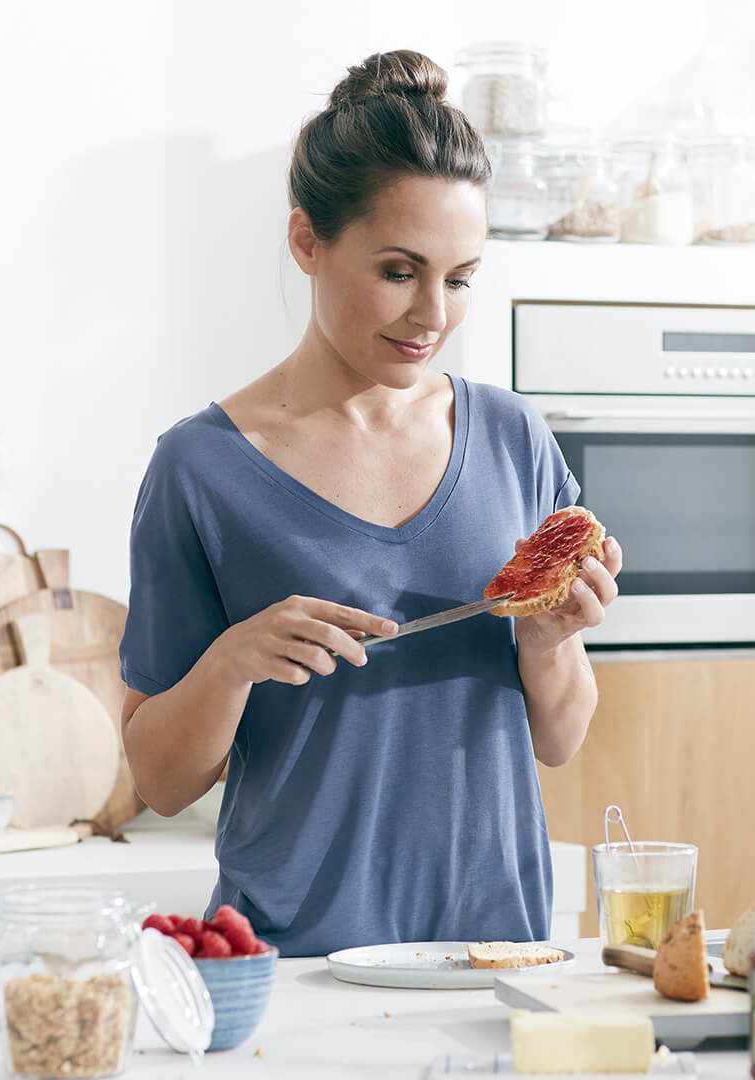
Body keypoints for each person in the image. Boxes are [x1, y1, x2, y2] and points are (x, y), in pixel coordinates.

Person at [118, 49, 622, 957]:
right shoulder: (201, 468)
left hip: (497, 951)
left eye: (460, 278)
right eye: (399, 270)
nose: (432, 313)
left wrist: (549, 642)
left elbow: (562, 737)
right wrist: (233, 663)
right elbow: (158, 779)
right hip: (296, 953)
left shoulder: (513, 437)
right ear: (308, 241)